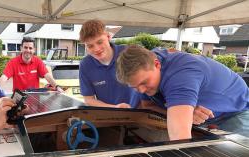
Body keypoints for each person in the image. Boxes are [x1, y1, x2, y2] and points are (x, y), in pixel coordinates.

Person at [116, 45, 249, 140]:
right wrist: (185, 112)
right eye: (135, 87)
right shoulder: (144, 72)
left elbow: (180, 137)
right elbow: (147, 106)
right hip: (204, 121)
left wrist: (182, 113)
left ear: (157, 65)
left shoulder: (180, 76)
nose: (142, 90)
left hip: (235, 111)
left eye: (144, 83)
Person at [78, 19, 141, 108]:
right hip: (109, 116)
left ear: (108, 37)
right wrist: (115, 108)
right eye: (90, 46)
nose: (96, 49)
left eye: (100, 42)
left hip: (139, 113)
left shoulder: (128, 53)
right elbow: (88, 99)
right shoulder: (85, 65)